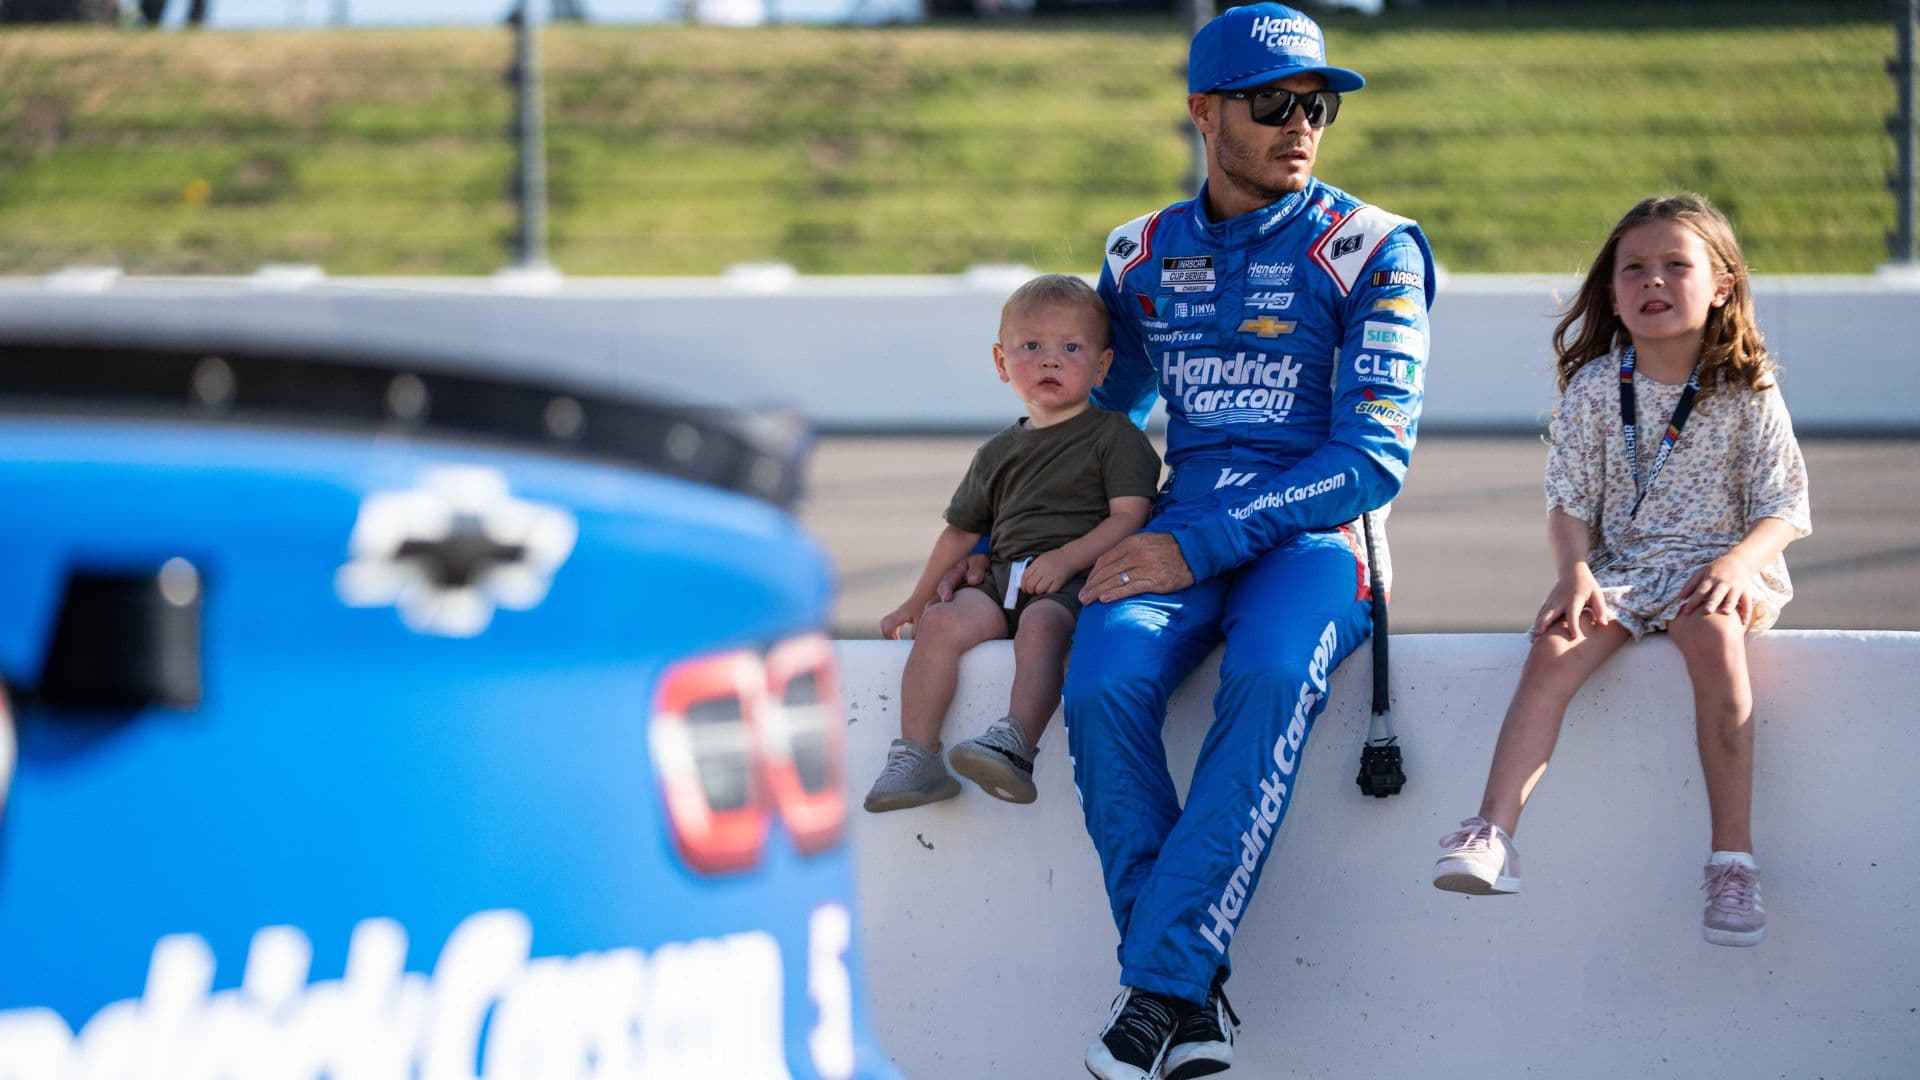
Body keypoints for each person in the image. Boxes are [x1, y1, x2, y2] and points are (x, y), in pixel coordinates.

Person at [1005, 6, 1436, 1077]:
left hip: (1313, 538)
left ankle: (1157, 989)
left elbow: (1375, 456)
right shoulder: (1141, 252)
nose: (1303, 125)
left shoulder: (1374, 247)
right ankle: (1188, 1001)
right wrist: (993, 535)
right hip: (1179, 529)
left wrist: (1195, 550)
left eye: (1318, 105)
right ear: (1204, 111)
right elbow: (1095, 425)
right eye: (1274, 102)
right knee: (1099, 686)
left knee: (1275, 674)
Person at [1431, 194, 1809, 949]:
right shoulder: (1597, 388)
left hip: (1715, 572)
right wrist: (1574, 574)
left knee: (1716, 644)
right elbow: (1568, 501)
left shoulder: (1747, 387)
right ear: (1611, 291)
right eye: (1634, 268)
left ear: (1723, 283)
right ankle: (1493, 831)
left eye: (1677, 264)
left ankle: (1732, 860)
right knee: (1554, 647)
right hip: (1623, 569)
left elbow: (1786, 507)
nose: (1654, 281)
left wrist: (1737, 565)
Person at [863, 274, 1161, 813]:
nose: (1050, 361)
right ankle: (915, 756)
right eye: (1032, 347)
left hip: (1075, 582)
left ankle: (1015, 743)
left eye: (1071, 348)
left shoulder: (1115, 437)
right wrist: (916, 598)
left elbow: (1130, 516)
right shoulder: (997, 451)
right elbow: (962, 532)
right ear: (1002, 364)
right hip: (1003, 576)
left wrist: (1067, 558)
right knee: (943, 622)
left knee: (1043, 627)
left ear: (1101, 366)